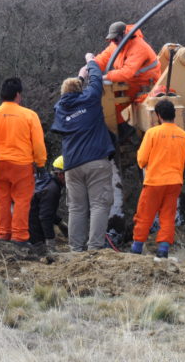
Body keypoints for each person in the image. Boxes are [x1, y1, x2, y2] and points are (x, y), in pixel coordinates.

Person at [52, 53, 115, 252]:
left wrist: (78, 79)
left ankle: (76, 250)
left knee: (76, 208)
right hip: (96, 160)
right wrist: (90, 61)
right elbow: (96, 79)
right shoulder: (90, 99)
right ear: (82, 89)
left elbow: (62, 100)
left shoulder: (61, 108)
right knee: (99, 204)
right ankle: (95, 248)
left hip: (71, 165)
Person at [130, 99, 185, 259]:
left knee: (144, 215)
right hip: (174, 182)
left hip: (154, 182)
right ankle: (163, 250)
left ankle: (136, 249)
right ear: (174, 115)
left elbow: (141, 160)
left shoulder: (152, 133)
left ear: (158, 115)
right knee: (168, 216)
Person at [0, 77, 47, 244]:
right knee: (22, 201)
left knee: (1, 200)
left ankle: (3, 234)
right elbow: (38, 142)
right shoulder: (29, 115)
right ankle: (20, 236)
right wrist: (41, 163)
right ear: (18, 95)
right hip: (21, 165)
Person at [94, 21, 161, 122]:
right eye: (111, 40)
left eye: (115, 39)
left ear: (124, 35)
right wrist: (90, 67)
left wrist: (103, 77)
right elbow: (102, 59)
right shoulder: (116, 45)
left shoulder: (139, 48)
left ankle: (122, 132)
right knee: (108, 104)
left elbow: (127, 72)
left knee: (122, 112)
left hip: (144, 87)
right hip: (128, 84)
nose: (113, 42)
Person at [29, 155, 66, 248]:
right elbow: (45, 216)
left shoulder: (46, 181)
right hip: (33, 231)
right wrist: (50, 240)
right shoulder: (52, 189)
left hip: (27, 224)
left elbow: (41, 207)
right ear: (60, 174)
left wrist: (59, 222)